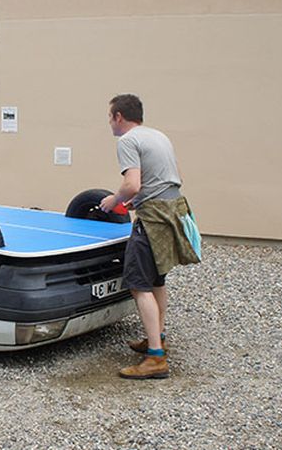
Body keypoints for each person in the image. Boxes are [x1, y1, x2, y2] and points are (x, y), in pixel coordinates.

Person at [99, 94, 200, 380]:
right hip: (173, 211)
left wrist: (114, 199)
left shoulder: (128, 141)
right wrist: (140, 198)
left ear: (119, 116)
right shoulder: (159, 136)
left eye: (110, 117)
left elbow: (131, 183)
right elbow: (174, 175)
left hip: (153, 219)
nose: (110, 123)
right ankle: (158, 336)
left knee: (137, 284)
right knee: (157, 280)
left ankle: (155, 357)